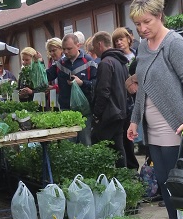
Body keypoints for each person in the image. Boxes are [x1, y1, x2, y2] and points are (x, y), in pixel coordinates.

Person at [127, 0, 183, 219]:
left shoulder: (175, 44)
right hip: (151, 126)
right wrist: (134, 121)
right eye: (137, 24)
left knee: (173, 180)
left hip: (173, 125)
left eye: (147, 22)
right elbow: (142, 86)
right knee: (162, 180)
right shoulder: (144, 48)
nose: (142, 28)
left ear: (160, 16)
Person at [90, 31, 128, 166]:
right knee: (119, 148)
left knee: (99, 146)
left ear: (100, 44)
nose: (93, 50)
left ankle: (106, 178)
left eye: (94, 46)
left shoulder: (105, 63)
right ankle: (123, 177)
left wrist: (96, 114)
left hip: (109, 114)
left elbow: (103, 91)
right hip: (121, 111)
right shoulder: (120, 61)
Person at [46, 33, 96, 111]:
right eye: (64, 49)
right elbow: (46, 77)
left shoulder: (89, 61)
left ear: (78, 45)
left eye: (69, 49)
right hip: (65, 108)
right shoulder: (60, 63)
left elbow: (96, 83)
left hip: (85, 108)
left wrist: (82, 83)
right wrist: (38, 63)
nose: (65, 52)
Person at [112, 27, 139, 169]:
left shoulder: (137, 55)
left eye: (121, 39)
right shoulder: (117, 59)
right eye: (116, 40)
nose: (119, 43)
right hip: (127, 102)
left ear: (129, 39)